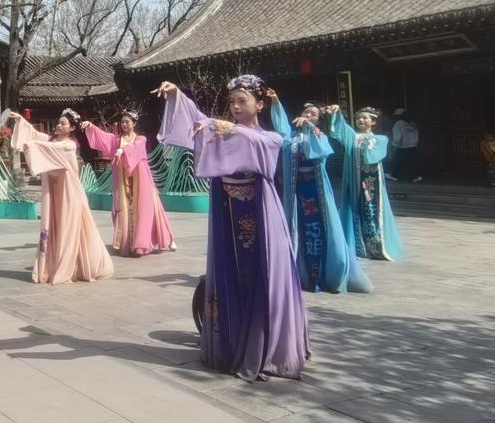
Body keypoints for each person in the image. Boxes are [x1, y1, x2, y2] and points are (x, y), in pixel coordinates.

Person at [155, 75, 309, 381]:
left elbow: (249, 139)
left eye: (243, 101)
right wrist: (177, 95)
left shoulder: (270, 138)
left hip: (260, 214)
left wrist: (218, 125)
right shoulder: (223, 131)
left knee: (260, 276)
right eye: (232, 102)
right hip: (229, 212)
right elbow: (197, 122)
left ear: (260, 104)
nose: (236, 107)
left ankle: (265, 345)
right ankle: (233, 339)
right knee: (233, 275)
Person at [268, 94, 370, 294]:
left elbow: (317, 152)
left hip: (316, 192)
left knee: (320, 230)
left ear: (319, 121)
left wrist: (309, 128)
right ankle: (301, 272)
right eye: (306, 112)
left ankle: (325, 272)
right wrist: (276, 102)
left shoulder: (320, 136)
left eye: (313, 114)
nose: (308, 115)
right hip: (297, 192)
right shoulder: (291, 138)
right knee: (299, 229)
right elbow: (282, 128)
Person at [0, 108, 113, 283]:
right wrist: (20, 121)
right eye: (58, 123)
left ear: (72, 128)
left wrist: (32, 145)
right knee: (56, 227)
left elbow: (48, 147)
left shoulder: (69, 145)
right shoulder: (53, 141)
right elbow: (35, 135)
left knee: (69, 229)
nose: (58, 125)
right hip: (55, 194)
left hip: (70, 194)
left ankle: (70, 267)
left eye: (63, 124)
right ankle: (59, 265)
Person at [80, 109, 175, 257]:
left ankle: (142, 245)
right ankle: (128, 243)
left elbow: (136, 147)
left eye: (127, 122)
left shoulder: (141, 139)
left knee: (145, 209)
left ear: (134, 123)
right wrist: (91, 127)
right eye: (122, 122)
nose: (124, 124)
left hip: (141, 179)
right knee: (124, 210)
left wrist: (122, 151)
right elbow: (103, 136)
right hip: (123, 181)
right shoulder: (115, 140)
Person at [325, 104, 406, 262]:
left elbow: (371, 157)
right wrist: (337, 113)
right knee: (355, 207)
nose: (361, 120)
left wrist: (365, 142)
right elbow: (341, 130)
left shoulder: (381, 139)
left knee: (371, 209)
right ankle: (358, 245)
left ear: (373, 121)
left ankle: (375, 246)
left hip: (371, 180)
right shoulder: (352, 137)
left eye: (364, 118)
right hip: (354, 179)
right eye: (358, 118)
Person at [388, 109, 422, 183]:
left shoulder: (398, 124)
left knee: (399, 162)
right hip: (413, 145)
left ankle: (396, 176)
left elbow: (397, 136)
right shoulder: (413, 124)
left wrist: (394, 145)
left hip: (402, 146)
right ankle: (415, 176)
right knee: (412, 162)